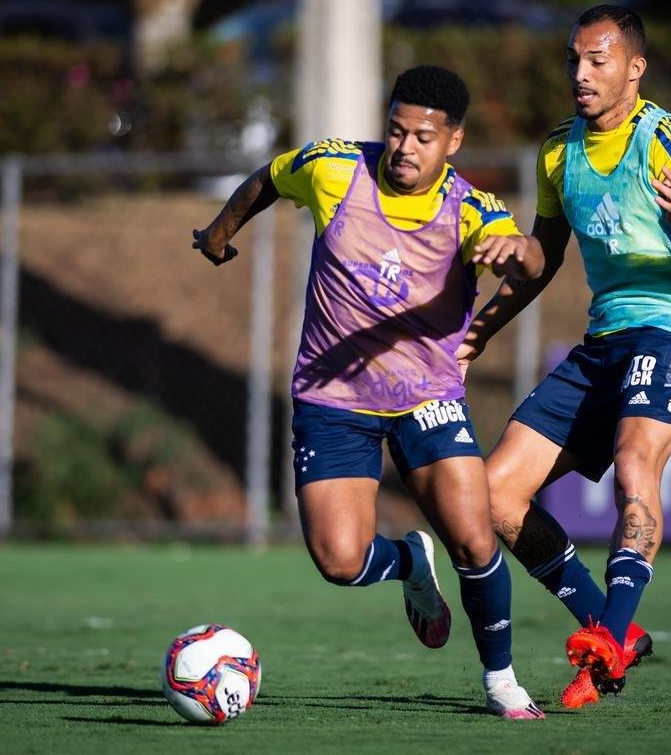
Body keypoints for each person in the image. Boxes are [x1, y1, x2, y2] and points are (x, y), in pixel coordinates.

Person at [192, 65, 546, 720]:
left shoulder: (470, 208)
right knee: (338, 559)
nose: (406, 147)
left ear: (453, 142)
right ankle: (409, 561)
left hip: (426, 397)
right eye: (397, 131)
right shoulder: (333, 167)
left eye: (424, 137)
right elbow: (269, 178)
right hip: (332, 401)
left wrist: (517, 246)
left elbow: (530, 261)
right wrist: (220, 230)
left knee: (474, 540)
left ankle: (502, 682)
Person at [457, 5, 671, 708]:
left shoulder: (670, 144)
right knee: (494, 495)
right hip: (603, 340)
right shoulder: (559, 149)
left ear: (634, 68)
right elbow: (544, 257)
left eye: (598, 61)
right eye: (573, 60)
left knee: (635, 467)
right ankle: (613, 631)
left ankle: (605, 642)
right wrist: (485, 326)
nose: (580, 74)